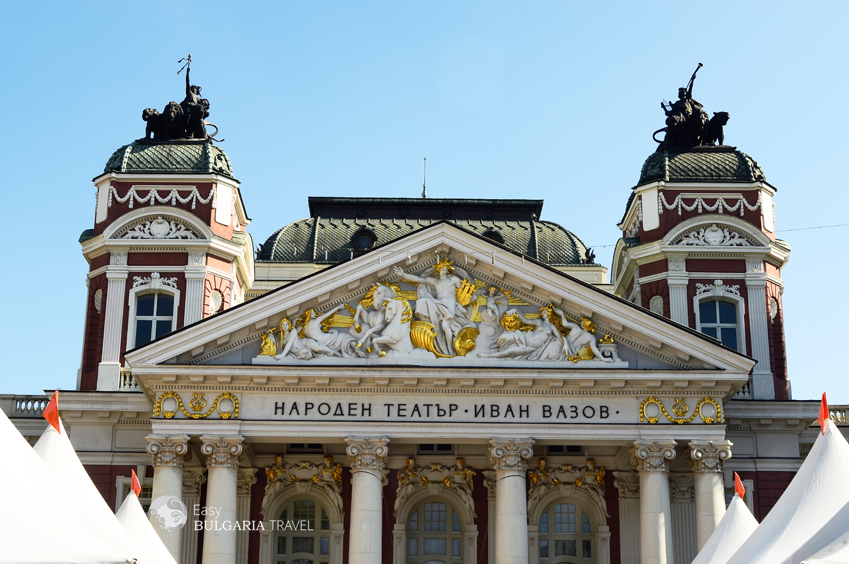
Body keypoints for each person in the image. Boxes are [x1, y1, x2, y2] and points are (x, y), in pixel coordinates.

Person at [393, 259, 471, 356]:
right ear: (438, 269)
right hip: (439, 303)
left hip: (450, 304)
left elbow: (465, 290)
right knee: (422, 302)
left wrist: (469, 299)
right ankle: (431, 329)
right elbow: (418, 279)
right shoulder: (435, 281)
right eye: (443, 269)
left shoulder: (453, 279)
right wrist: (404, 275)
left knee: (445, 326)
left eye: (446, 269)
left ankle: (450, 349)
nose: (445, 271)